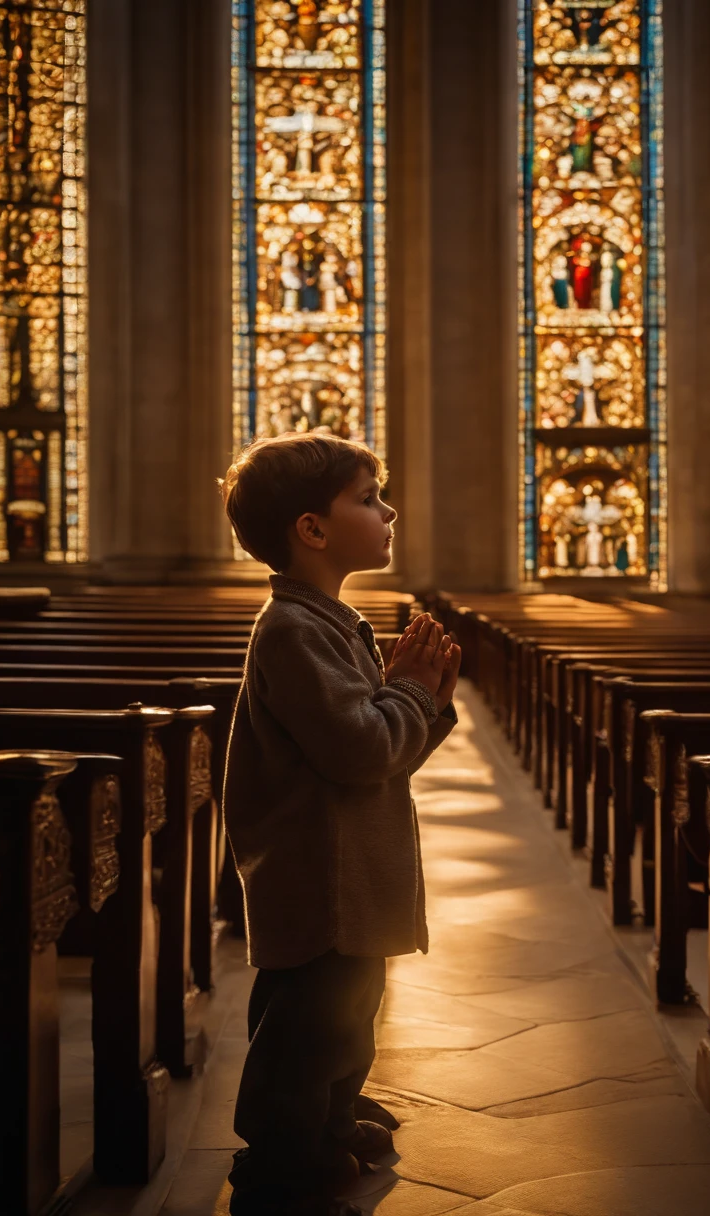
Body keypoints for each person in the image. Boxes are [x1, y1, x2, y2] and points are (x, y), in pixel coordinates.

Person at [217, 432, 461, 1216]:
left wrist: (423, 697)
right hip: (318, 875)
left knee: (349, 1009)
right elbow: (362, 751)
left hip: (346, 869)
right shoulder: (292, 630)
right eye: (368, 497)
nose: (388, 510)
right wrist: (413, 692)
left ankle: (329, 1118)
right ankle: (280, 1158)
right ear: (311, 529)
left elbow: (379, 753)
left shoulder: (325, 619)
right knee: (303, 1023)